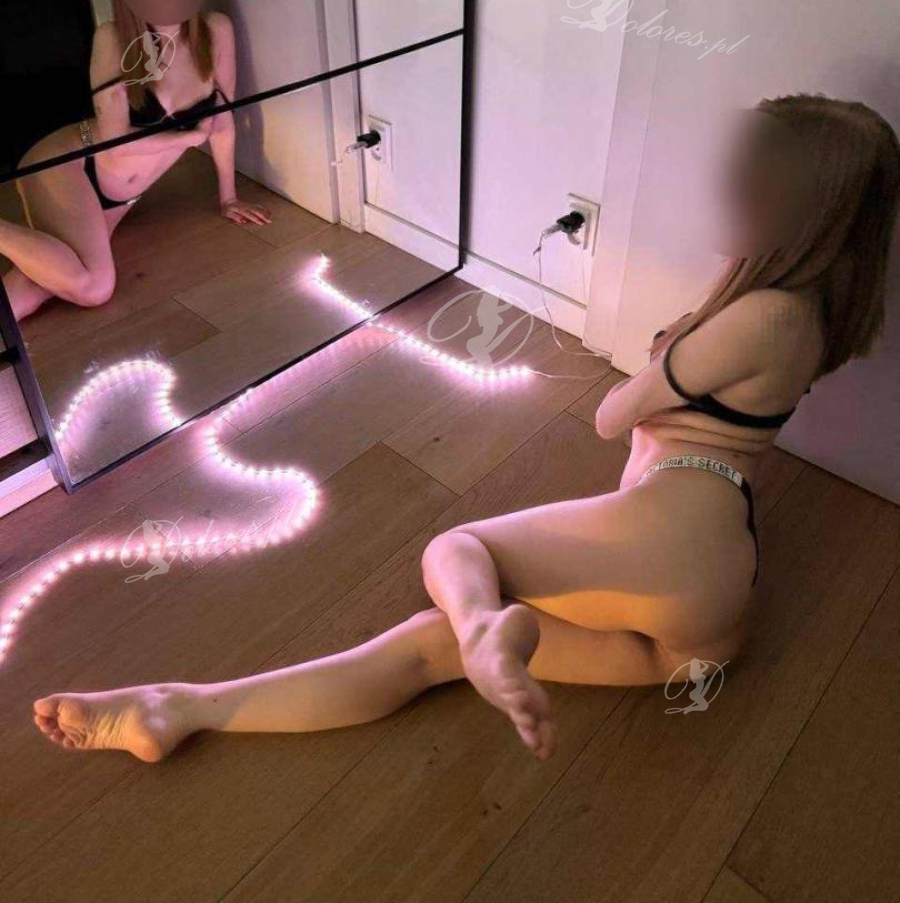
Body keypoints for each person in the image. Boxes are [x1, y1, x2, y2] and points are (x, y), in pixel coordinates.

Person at [31, 95, 899, 762]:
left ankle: (487, 630)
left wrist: (663, 355)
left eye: (745, 179)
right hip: (702, 632)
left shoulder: (762, 316)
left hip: (679, 539)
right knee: (428, 647)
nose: (723, 188)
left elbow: (611, 416)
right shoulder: (817, 310)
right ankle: (181, 708)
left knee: (458, 553)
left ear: (788, 205)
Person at [0, 0, 270, 322]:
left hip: (121, 197)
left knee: (52, 277)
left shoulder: (215, 30)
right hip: (70, 166)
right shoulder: (115, 40)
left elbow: (222, 122)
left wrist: (228, 197)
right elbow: (117, 145)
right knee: (94, 286)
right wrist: (188, 137)